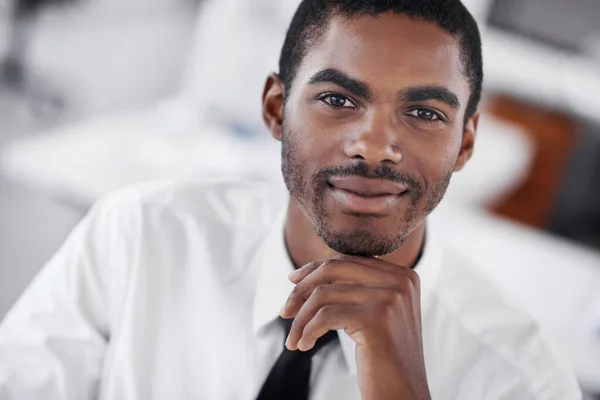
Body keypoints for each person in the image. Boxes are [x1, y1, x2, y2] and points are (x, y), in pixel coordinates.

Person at [0, 0, 582, 399]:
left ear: (466, 143)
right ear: (276, 109)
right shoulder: (141, 237)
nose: (375, 145)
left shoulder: (521, 377)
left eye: (425, 113)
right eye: (337, 99)